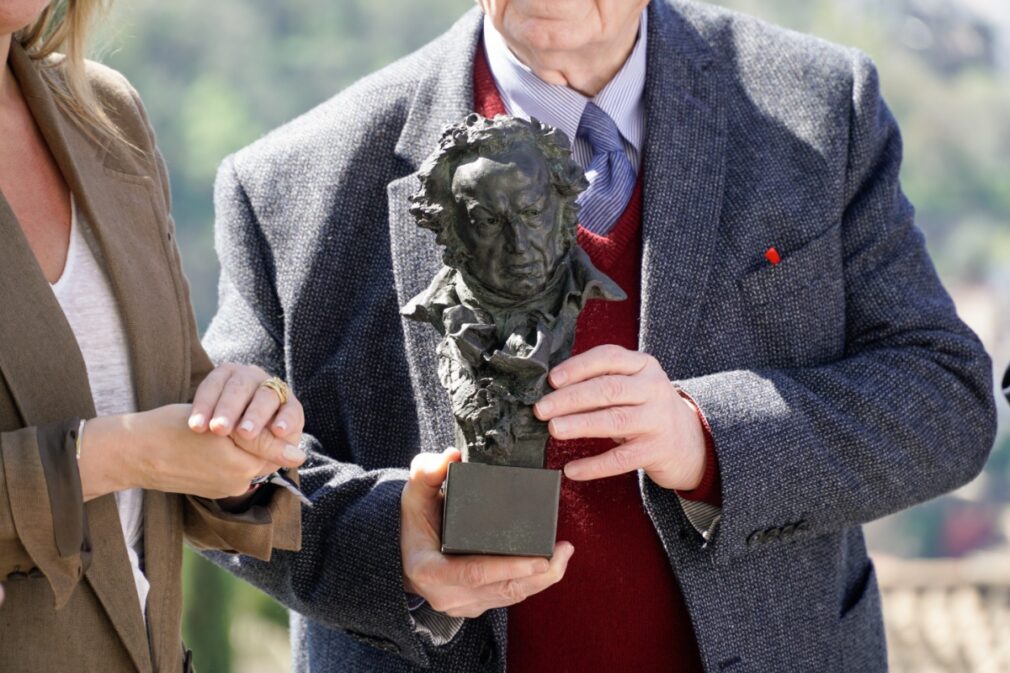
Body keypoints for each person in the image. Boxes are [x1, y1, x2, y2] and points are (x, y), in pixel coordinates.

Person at [203, 1, 998, 672]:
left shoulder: (822, 107)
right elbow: (220, 492)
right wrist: (389, 544)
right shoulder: (289, 185)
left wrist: (710, 437)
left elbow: (945, 396)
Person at [0, 1, 305, 671]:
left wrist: (240, 422)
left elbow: (170, 393)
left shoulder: (104, 113)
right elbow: (136, 445)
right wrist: (121, 454)